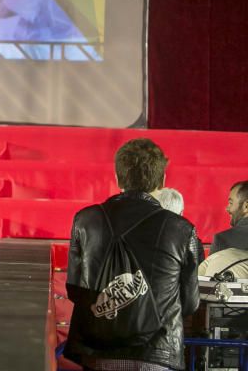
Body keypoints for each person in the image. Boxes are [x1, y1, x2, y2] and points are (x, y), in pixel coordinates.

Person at [65, 139, 199, 370]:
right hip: (158, 352)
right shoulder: (182, 229)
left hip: (98, 351)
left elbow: (75, 289)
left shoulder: (86, 220)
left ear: (117, 178)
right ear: (163, 181)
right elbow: (190, 303)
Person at [211, 180, 248, 254]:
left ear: (246, 206)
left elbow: (213, 265)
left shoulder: (223, 239)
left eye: (231, 203)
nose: (227, 208)